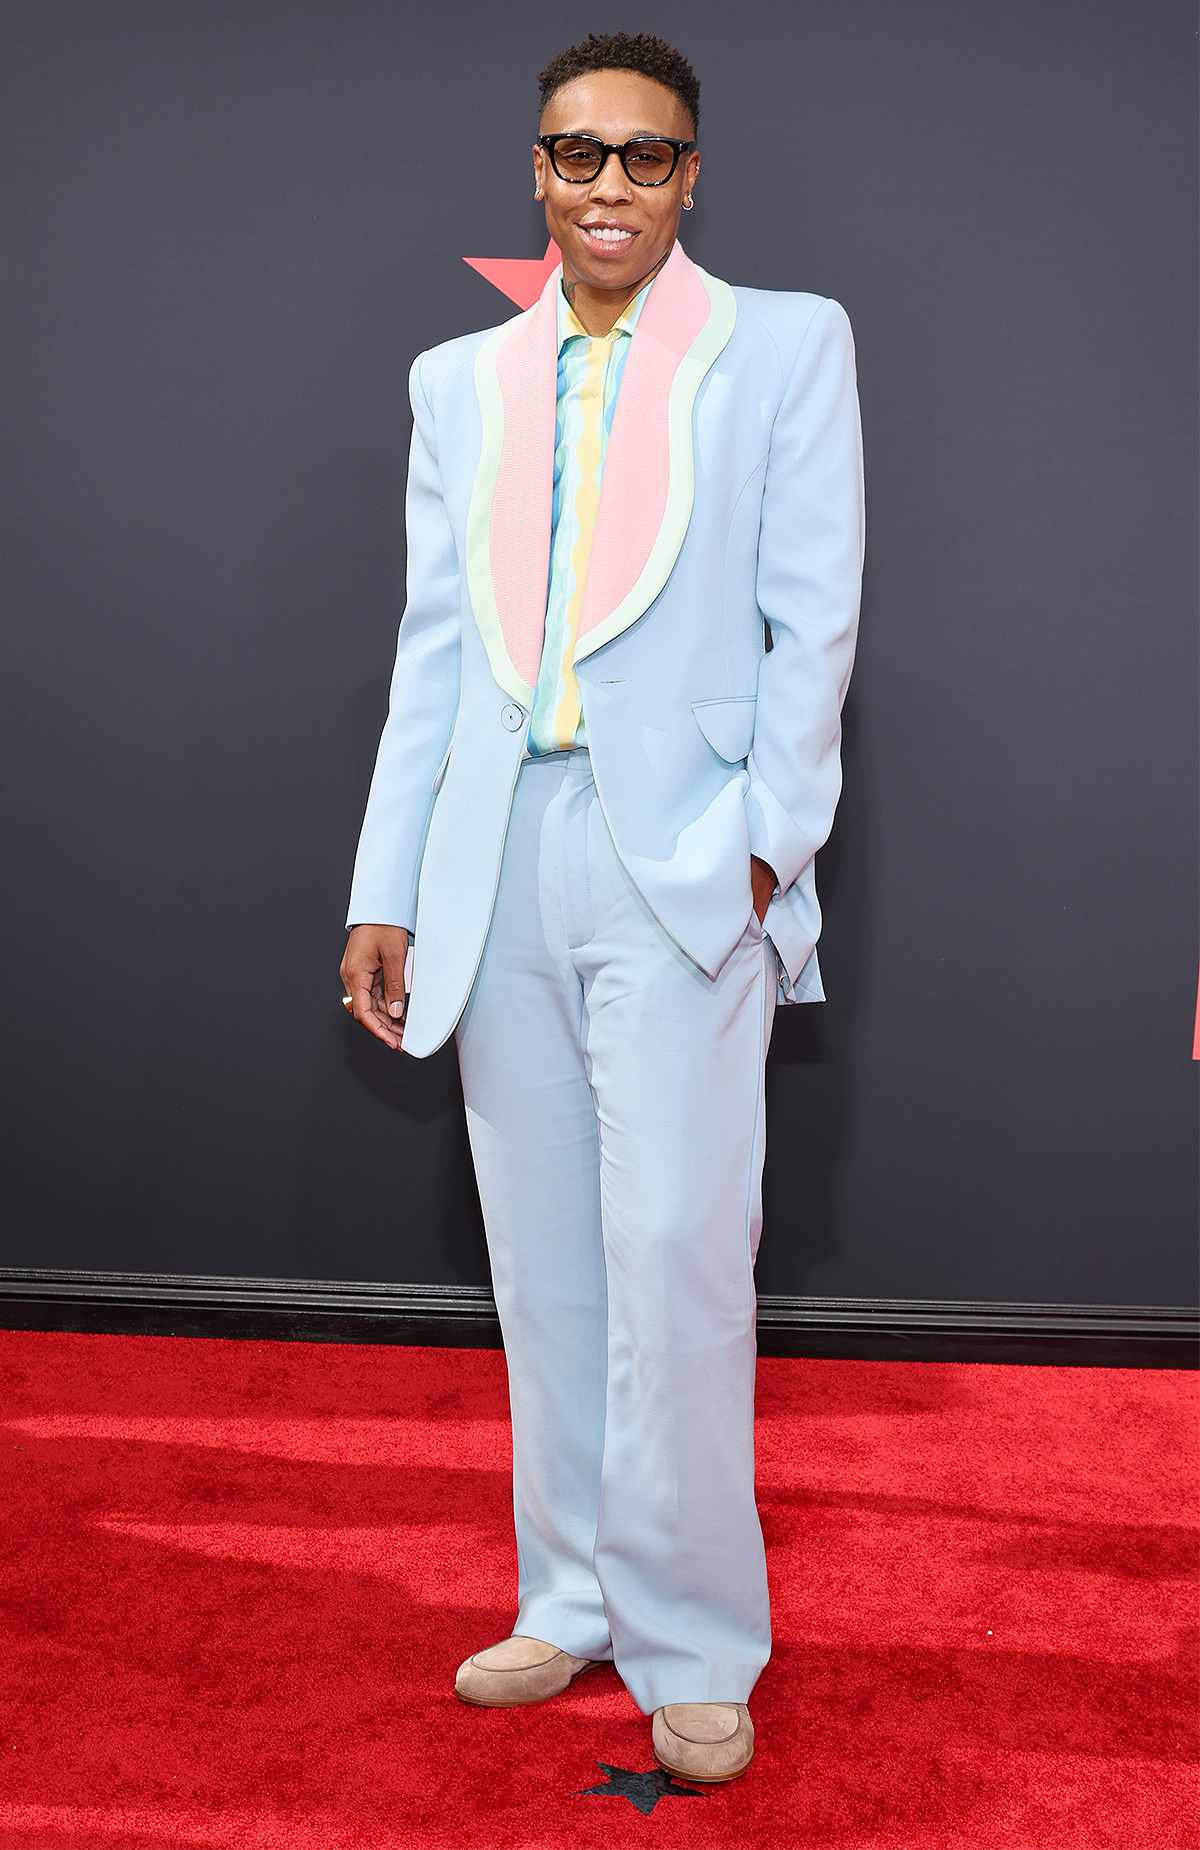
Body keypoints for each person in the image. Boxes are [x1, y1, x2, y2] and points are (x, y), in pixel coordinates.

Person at [339, 29, 865, 1785]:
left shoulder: (782, 345)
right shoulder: (459, 379)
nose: (610, 185)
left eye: (646, 157)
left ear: (692, 173)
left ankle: (697, 1636)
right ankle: (567, 1596)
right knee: (545, 1264)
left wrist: (762, 849)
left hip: (679, 858)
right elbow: (430, 654)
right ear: (539, 172)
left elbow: (818, 625)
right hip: (499, 853)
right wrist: (390, 882)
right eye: (580, 155)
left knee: (678, 1261)